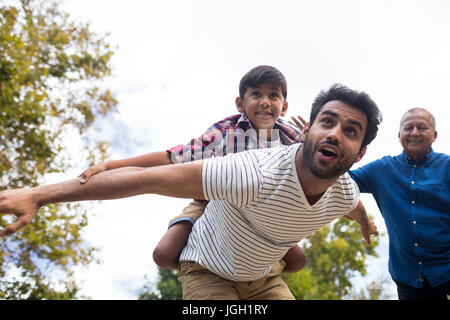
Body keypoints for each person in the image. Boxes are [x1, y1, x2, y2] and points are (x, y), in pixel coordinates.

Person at [0, 84, 381, 300]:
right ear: (308, 130)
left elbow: (353, 206)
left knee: (294, 259)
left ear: (360, 152)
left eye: (350, 131)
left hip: (264, 279)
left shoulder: (345, 192)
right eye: (326, 123)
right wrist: (40, 194)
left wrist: (365, 222)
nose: (334, 134)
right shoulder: (250, 169)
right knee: (165, 252)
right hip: (210, 271)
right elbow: (151, 175)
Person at [77, 65, 307, 272]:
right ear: (240, 104)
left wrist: (311, 140)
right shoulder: (227, 131)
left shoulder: (290, 136)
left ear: (284, 107)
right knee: (164, 254)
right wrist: (110, 165)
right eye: (256, 94)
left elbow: (319, 168)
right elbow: (174, 158)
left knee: (297, 261)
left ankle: (260, 269)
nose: (265, 101)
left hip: (260, 213)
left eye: (273, 96)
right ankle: (203, 262)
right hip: (212, 203)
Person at [347, 108, 450, 300]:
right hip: (408, 275)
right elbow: (339, 183)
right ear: (399, 135)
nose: (414, 132)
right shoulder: (382, 169)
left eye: (422, 127)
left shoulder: (447, 167)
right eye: (408, 128)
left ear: (434, 135)